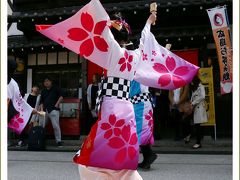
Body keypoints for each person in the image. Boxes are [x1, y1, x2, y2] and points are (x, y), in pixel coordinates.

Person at [36, 0, 199, 178]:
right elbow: (144, 39)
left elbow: (105, 32)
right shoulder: (136, 56)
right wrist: (149, 21)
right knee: (123, 148)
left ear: (114, 36)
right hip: (126, 106)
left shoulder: (114, 52)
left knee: (97, 149)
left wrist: (107, 22)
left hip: (111, 105)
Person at [8, 59, 39, 136]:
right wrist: (31, 109)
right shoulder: (13, 84)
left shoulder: (13, 84)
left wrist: (31, 109)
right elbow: (19, 100)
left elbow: (19, 100)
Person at [40, 76, 63, 147]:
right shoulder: (43, 91)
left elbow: (61, 97)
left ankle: (58, 141)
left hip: (53, 110)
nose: (46, 82)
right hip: (44, 110)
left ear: (51, 82)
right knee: (42, 126)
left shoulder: (56, 88)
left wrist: (56, 104)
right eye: (45, 81)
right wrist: (41, 110)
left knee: (56, 126)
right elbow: (41, 101)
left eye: (47, 81)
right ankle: (40, 140)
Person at [190, 75, 208, 149]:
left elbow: (202, 96)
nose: (191, 82)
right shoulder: (195, 88)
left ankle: (198, 142)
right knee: (196, 125)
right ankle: (194, 139)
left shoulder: (201, 87)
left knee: (198, 126)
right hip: (194, 109)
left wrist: (193, 103)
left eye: (192, 81)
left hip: (199, 108)